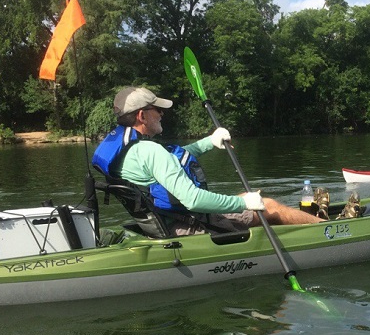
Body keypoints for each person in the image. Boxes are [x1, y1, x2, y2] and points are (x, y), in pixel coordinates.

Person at [92, 86, 322, 237]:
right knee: (268, 205)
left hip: (165, 222)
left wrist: (210, 142)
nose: (162, 114)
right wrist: (246, 205)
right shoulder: (151, 151)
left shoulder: (129, 150)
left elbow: (173, 159)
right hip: (186, 224)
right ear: (142, 116)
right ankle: (330, 232)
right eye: (157, 110)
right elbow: (193, 200)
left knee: (244, 197)